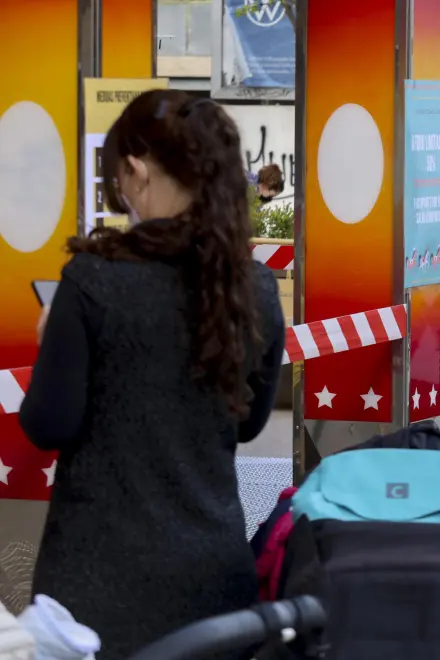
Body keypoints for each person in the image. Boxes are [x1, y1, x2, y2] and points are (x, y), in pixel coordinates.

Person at [18, 89, 285, 659]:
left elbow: (47, 424)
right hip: (216, 586)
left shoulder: (94, 281)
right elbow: (248, 424)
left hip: (93, 595)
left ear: (136, 172)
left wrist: (53, 347)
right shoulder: (254, 288)